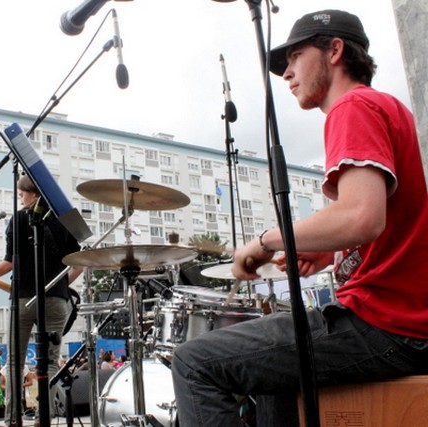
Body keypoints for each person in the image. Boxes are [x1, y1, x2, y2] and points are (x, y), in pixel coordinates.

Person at [171, 9, 428, 426]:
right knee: (269, 377)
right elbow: (389, 224)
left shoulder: (354, 107)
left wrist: (267, 240)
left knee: (193, 362)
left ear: (335, 51)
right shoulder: (388, 108)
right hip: (405, 322)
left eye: (294, 57)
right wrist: (327, 254)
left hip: (386, 323)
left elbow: (364, 216)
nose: (286, 73)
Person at [0, 174, 83, 426]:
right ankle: (44, 418)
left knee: (15, 362)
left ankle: (14, 420)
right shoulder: (62, 220)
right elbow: (80, 264)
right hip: (56, 300)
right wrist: (61, 285)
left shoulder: (19, 219)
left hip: (23, 298)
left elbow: (9, 262)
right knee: (52, 361)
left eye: (22, 195)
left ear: (32, 194)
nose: (20, 200)